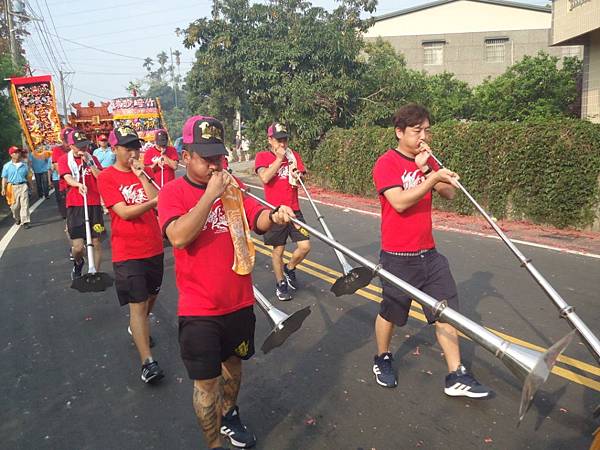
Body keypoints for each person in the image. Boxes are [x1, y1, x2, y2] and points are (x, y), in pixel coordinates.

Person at [157, 115, 294, 450]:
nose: (215, 165)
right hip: (200, 308)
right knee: (206, 384)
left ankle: (230, 414)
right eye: (206, 159)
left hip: (239, 301)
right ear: (186, 156)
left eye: (218, 157)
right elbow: (178, 236)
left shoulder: (234, 188)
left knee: (234, 368)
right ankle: (213, 443)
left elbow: (255, 217)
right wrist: (210, 195)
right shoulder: (173, 193)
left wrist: (272, 216)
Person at [371, 103, 491, 398]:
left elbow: (449, 194)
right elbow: (398, 202)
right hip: (398, 255)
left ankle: (456, 375)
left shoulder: (428, 162)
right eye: (416, 131)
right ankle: (382, 357)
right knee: (392, 313)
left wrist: (430, 170)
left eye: (427, 130)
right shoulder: (387, 163)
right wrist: (431, 178)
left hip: (429, 254)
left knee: (446, 313)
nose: (423, 136)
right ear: (400, 132)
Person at [97, 126, 165, 384]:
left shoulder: (142, 173)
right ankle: (148, 362)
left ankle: (137, 329)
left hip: (153, 247)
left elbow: (157, 199)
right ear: (115, 149)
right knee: (137, 305)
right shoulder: (107, 177)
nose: (134, 152)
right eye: (128, 148)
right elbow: (123, 212)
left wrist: (142, 175)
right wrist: (151, 204)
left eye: (136, 147)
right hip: (128, 252)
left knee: (151, 298)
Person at [254, 123, 311, 301]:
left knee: (305, 246)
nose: (283, 144)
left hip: (294, 209)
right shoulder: (262, 157)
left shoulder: (293, 156)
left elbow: (303, 177)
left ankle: (290, 268)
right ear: (270, 140)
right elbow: (264, 177)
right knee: (278, 250)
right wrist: (278, 159)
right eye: (279, 140)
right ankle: (281, 283)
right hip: (275, 213)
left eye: (285, 139)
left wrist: (298, 175)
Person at [58, 129, 105, 280]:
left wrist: (90, 163)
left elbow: (100, 177)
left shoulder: (93, 159)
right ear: (71, 146)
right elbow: (67, 178)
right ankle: (78, 262)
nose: (83, 149)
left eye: (85, 145)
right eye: (79, 146)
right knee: (78, 247)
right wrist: (78, 185)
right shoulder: (64, 160)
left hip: (94, 204)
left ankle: (94, 273)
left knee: (96, 241)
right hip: (75, 205)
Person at [1, 146, 31, 228]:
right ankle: (17, 218)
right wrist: (3, 188)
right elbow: (4, 178)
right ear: (11, 154)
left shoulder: (24, 165)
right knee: (14, 206)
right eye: (16, 152)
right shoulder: (7, 166)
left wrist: (30, 185)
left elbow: (28, 176)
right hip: (12, 187)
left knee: (25, 204)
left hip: (23, 185)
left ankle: (25, 221)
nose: (18, 154)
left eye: (19, 152)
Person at [51, 127, 73, 220]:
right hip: (64, 182)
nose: (67, 141)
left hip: (78, 182)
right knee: (66, 209)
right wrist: (69, 178)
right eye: (65, 139)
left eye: (70, 138)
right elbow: (57, 167)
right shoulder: (57, 150)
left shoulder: (79, 149)